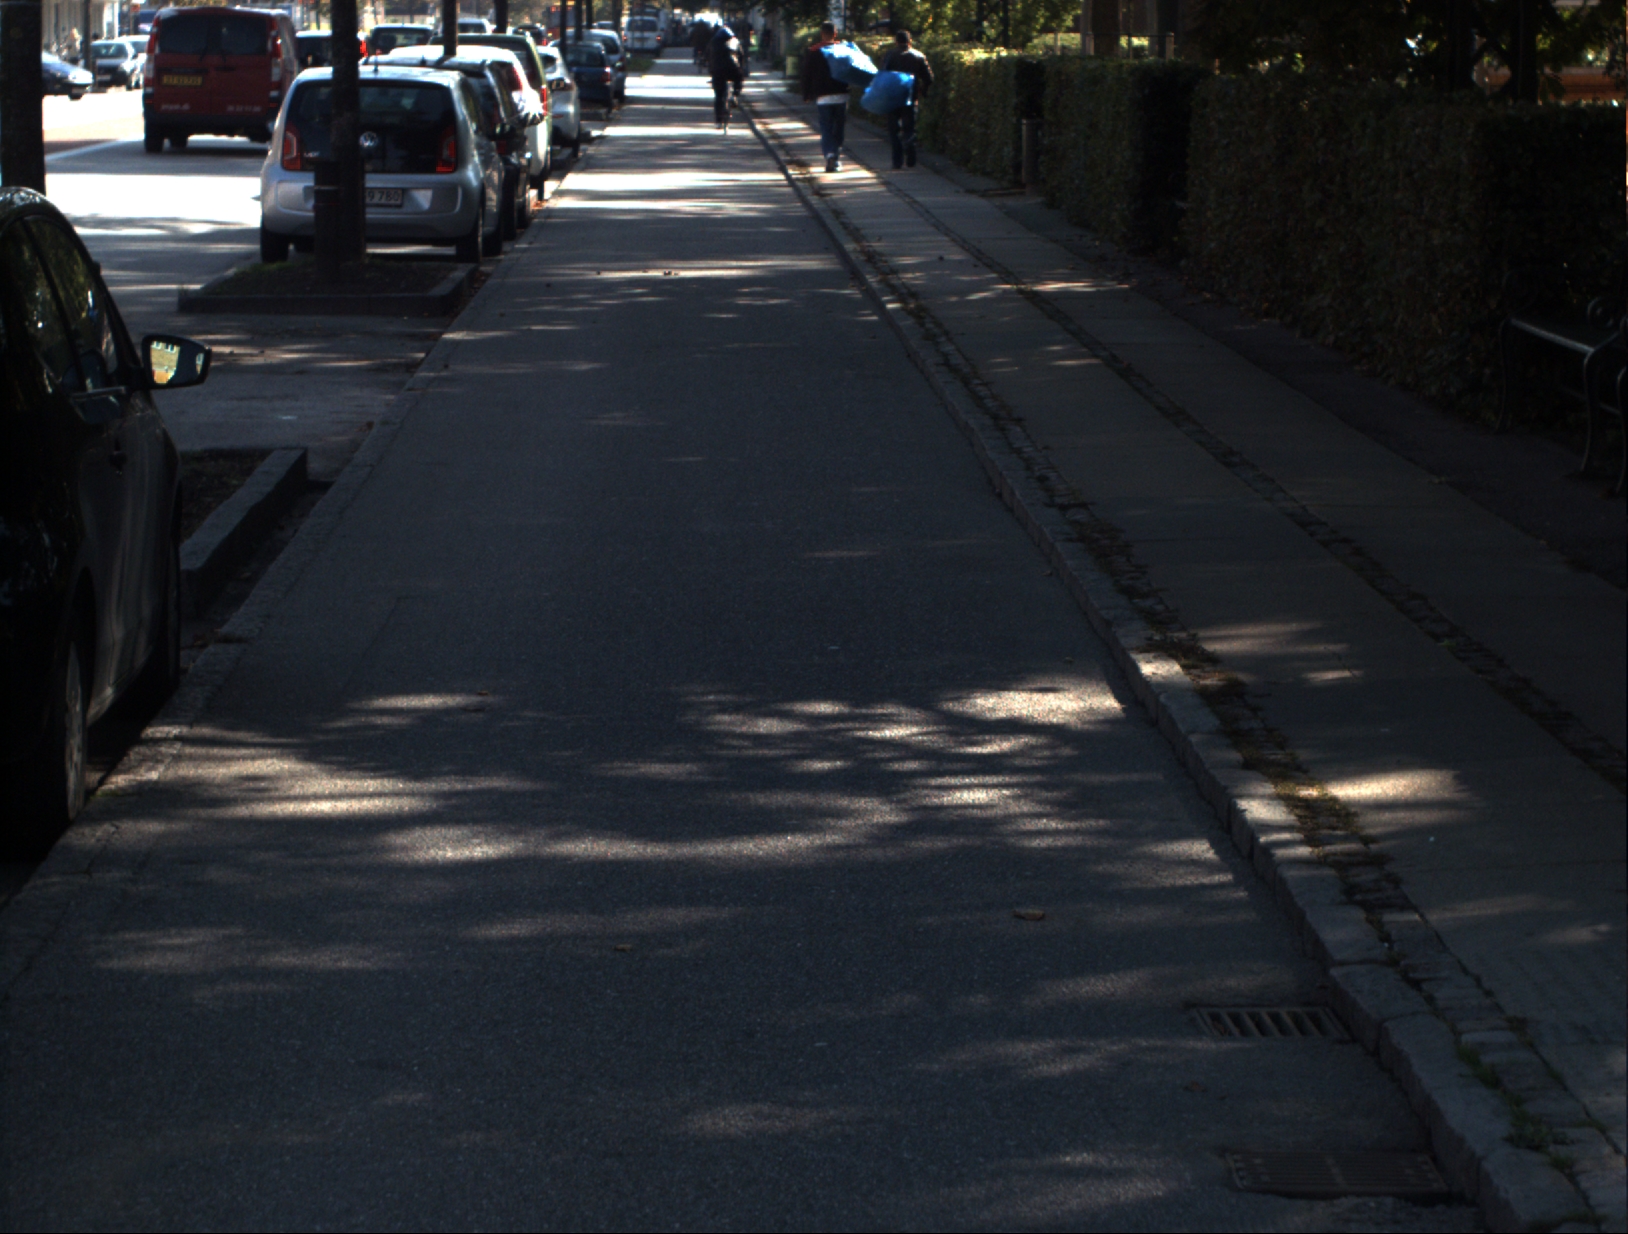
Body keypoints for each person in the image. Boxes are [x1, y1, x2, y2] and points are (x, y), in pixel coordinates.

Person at [881, 29, 932, 169]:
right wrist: (922, 90)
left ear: (896, 41)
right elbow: (929, 78)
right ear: (910, 41)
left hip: (893, 97)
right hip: (910, 96)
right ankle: (910, 154)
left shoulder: (889, 55)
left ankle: (897, 161)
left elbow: (883, 75)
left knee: (894, 130)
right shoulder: (918, 56)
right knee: (910, 127)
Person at [799, 22, 846, 173]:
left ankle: (830, 155)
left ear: (821, 34)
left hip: (823, 96)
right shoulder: (843, 50)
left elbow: (806, 74)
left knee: (826, 127)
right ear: (835, 34)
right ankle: (836, 156)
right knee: (839, 128)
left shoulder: (814, 51)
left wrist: (806, 94)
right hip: (841, 94)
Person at [708, 23, 746, 127]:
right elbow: (741, 55)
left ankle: (718, 121)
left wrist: (710, 68)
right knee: (739, 78)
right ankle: (734, 95)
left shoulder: (713, 42)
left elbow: (708, 56)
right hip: (732, 68)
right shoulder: (735, 41)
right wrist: (741, 67)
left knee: (718, 96)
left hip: (717, 71)